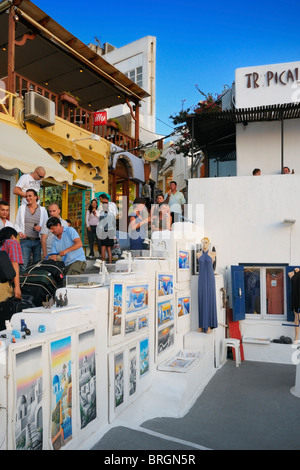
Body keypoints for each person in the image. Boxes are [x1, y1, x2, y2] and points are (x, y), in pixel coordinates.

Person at [14, 189, 48, 272]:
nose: (28, 198)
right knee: (24, 264)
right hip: (25, 241)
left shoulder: (42, 210)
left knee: (37, 265)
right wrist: (20, 232)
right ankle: (22, 283)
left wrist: (40, 227)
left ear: (36, 197)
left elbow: (46, 225)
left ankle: (34, 283)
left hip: (38, 241)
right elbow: (16, 224)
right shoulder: (22, 208)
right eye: (26, 196)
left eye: (30, 196)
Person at [197, 237, 218, 333]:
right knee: (201, 299)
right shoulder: (198, 254)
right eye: (203, 242)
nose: (204, 244)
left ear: (208, 244)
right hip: (201, 279)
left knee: (209, 300)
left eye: (206, 242)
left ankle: (209, 325)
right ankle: (201, 325)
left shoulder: (213, 254)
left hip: (210, 279)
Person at [0, 227, 23, 301]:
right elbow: (14, 264)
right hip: (4, 284)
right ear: (12, 236)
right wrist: (17, 287)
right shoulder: (12, 242)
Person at [96, 195, 116, 264]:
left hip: (104, 231)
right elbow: (114, 224)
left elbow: (100, 225)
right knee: (109, 249)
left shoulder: (101, 214)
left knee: (103, 248)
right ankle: (110, 263)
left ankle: (102, 263)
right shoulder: (111, 214)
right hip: (110, 232)